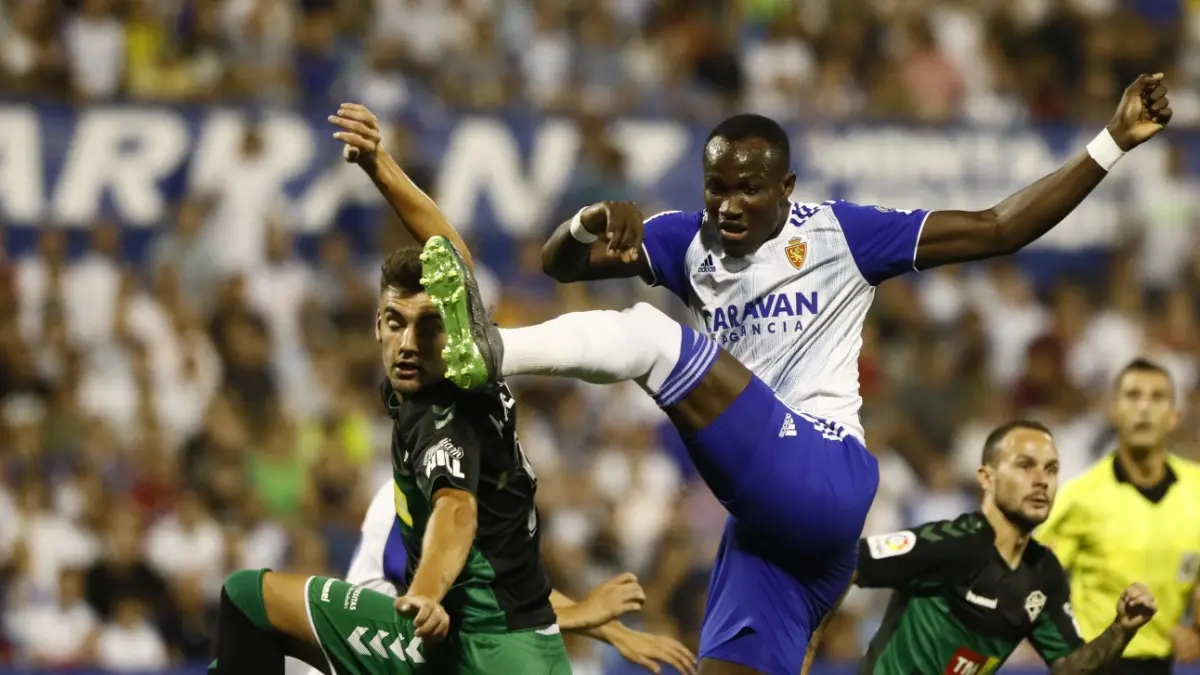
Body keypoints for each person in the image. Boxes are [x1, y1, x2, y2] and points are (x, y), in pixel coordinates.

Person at [328, 74, 1174, 675]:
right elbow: (560, 264)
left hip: (827, 474)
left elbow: (997, 227)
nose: (728, 206)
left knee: (651, 338)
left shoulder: (843, 235)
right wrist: (588, 221)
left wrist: (1111, 141)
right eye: (715, 188)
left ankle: (491, 352)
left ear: (787, 188)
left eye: (748, 190)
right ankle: (490, 349)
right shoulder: (686, 240)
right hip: (770, 538)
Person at [209, 248, 680, 675]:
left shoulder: (436, 422)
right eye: (395, 322)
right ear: (377, 324)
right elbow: (494, 582)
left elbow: (455, 513)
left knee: (247, 598)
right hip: (522, 645)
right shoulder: (485, 397)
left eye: (429, 326)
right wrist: (598, 624)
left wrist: (427, 593)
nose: (408, 343)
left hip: (454, 644)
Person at [851, 420, 1158, 675]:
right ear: (987, 478)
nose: (1041, 481)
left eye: (1051, 469)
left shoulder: (1043, 574)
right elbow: (849, 562)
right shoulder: (951, 544)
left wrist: (1122, 629)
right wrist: (820, 634)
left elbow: (1069, 668)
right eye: (1025, 466)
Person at [327, 478, 697, 675]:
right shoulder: (411, 493)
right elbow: (432, 605)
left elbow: (508, 590)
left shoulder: (471, 501)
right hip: (366, 655)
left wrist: (616, 632)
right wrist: (578, 615)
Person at [1037, 359, 1200, 674]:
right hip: (1096, 665)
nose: (1144, 408)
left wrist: (1196, 630)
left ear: (1175, 416)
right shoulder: (1080, 496)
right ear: (1113, 411)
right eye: (1133, 396)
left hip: (1162, 666)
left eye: (1157, 397)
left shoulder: (1197, 490)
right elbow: (1035, 582)